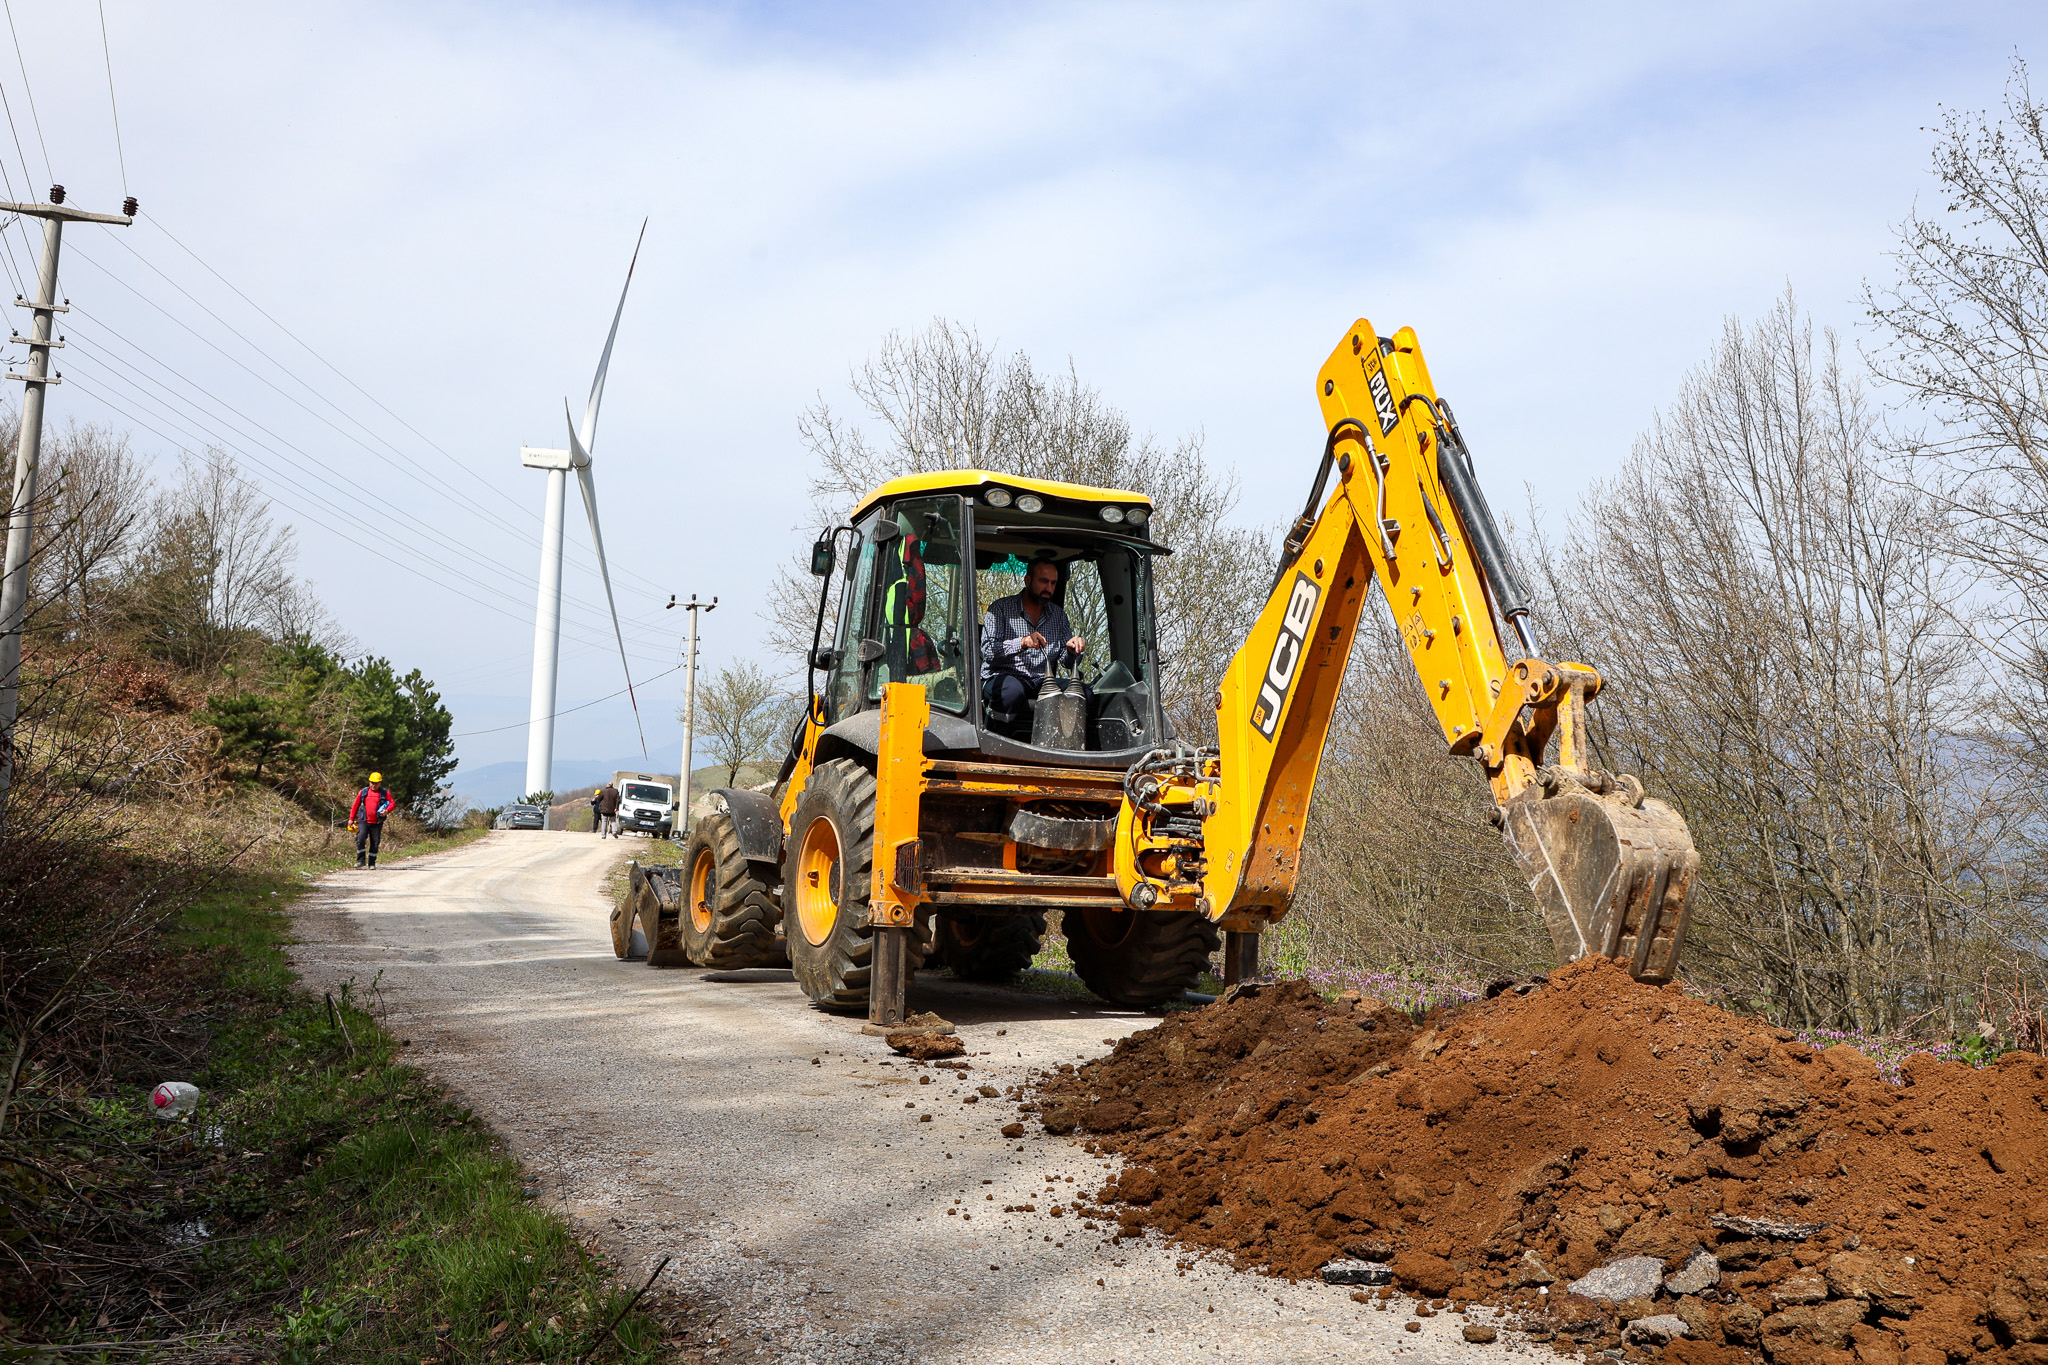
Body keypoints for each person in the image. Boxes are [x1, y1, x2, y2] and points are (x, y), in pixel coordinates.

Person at [980, 556, 1088, 716]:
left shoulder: (1059, 616)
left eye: (1053, 583)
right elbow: (988, 652)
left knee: (1085, 693)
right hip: (1003, 678)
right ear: (1028, 580)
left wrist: (1073, 650)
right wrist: (1023, 643)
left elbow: (1066, 661)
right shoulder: (1000, 609)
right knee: (1012, 692)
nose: (1049, 588)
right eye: (1044, 581)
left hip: (1041, 681)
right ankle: (999, 736)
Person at [349, 772, 395, 868]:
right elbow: (355, 805)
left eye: (376, 783)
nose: (374, 785)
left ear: (380, 783)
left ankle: (372, 863)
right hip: (363, 820)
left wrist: (387, 811)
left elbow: (392, 803)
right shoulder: (363, 792)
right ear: (369, 782)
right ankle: (361, 861)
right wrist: (351, 819)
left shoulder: (385, 793)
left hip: (377, 822)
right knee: (361, 839)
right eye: (372, 782)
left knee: (375, 842)